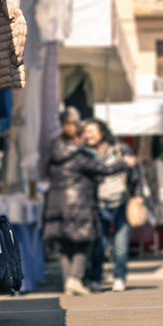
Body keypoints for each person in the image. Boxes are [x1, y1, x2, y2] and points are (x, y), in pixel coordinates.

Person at [42, 108, 135, 296]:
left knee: (66, 245)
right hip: (78, 204)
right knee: (84, 241)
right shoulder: (78, 155)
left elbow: (45, 172)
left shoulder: (54, 150)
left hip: (55, 203)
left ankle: (68, 282)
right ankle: (75, 279)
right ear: (77, 138)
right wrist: (124, 163)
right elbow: (103, 169)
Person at [82, 119, 141, 293]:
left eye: (92, 130)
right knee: (100, 245)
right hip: (98, 203)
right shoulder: (85, 153)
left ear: (102, 132)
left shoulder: (120, 149)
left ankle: (119, 277)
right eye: (86, 131)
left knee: (121, 245)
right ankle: (95, 278)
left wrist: (138, 194)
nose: (89, 135)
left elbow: (135, 172)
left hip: (122, 201)